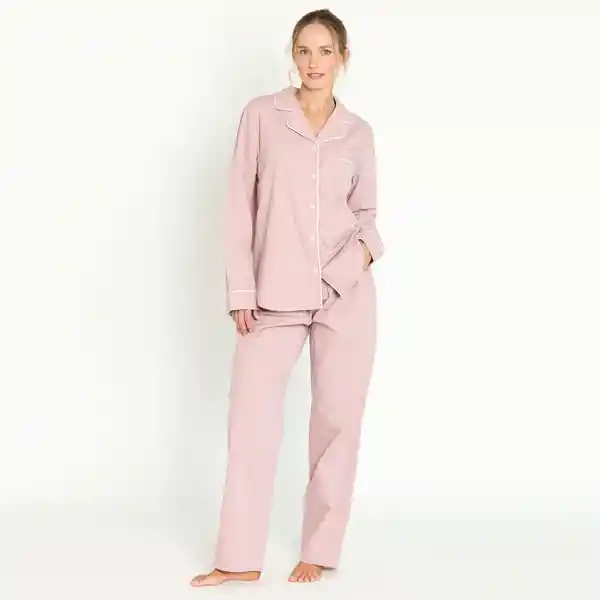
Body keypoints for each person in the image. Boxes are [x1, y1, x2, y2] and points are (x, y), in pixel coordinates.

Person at [190, 8, 384, 587]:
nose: (313, 62)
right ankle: (238, 557)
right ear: (292, 55)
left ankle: (319, 549)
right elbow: (238, 205)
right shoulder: (261, 116)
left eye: (325, 51)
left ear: (343, 58)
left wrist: (346, 269)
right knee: (250, 421)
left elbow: (369, 220)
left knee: (337, 424)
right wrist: (241, 290)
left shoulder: (358, 133)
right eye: (304, 50)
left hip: (344, 293)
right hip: (273, 294)